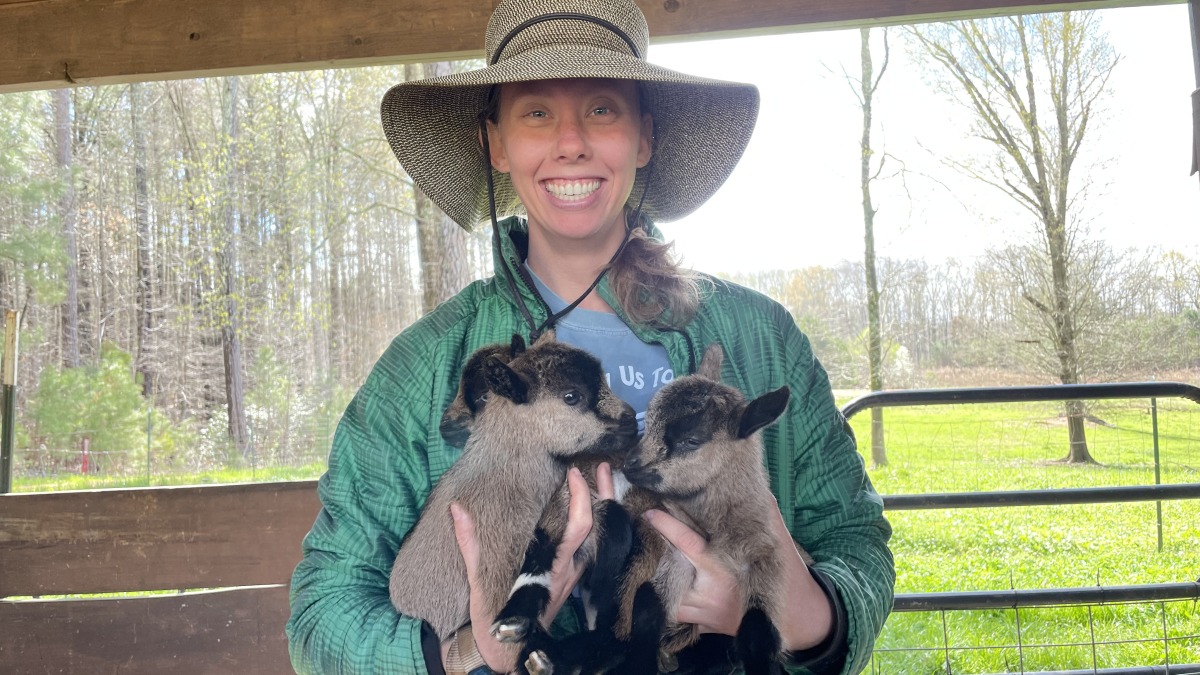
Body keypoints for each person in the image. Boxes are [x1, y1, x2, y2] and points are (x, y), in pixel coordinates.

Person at [286, 0, 894, 673]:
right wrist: (463, 653)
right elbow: (321, 614)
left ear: (644, 136)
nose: (571, 140)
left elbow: (856, 542)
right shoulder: (427, 364)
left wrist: (796, 612)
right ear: (496, 142)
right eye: (537, 111)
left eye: (602, 108)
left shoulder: (761, 337)